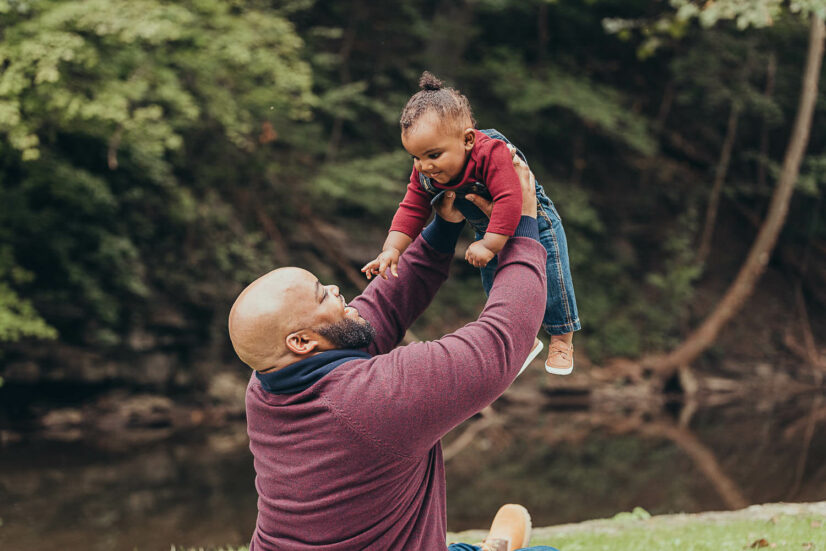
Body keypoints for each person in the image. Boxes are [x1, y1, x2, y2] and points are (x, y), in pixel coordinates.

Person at [228, 151, 560, 550]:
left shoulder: (266, 383)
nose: (337, 290)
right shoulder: (373, 398)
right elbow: (501, 339)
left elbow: (379, 309)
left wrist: (443, 226)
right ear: (301, 342)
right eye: (322, 296)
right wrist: (524, 228)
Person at [362, 71, 580, 375]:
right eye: (415, 157)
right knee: (496, 281)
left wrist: (491, 243)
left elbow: (509, 198)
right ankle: (521, 337)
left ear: (467, 139)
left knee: (553, 271)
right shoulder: (426, 172)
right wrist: (391, 250)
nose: (424, 166)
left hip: (533, 218)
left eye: (433, 155)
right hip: (486, 228)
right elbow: (412, 206)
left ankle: (561, 337)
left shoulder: (490, 153)